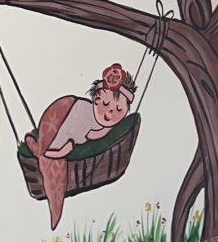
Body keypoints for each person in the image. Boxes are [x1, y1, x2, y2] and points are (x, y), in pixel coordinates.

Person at [26, 63, 138, 229]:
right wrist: (59, 151)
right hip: (63, 124)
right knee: (55, 154)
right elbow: (79, 139)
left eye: (119, 109)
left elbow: (91, 135)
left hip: (66, 132)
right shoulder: (83, 113)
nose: (109, 113)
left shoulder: (104, 126)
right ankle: (42, 150)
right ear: (96, 99)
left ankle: (41, 149)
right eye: (105, 104)